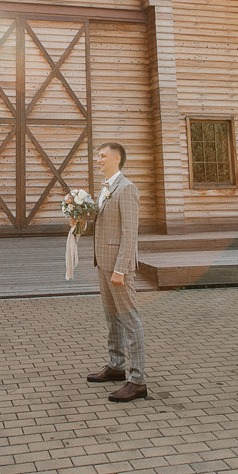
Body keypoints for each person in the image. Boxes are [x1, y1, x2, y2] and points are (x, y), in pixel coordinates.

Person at [81, 142, 148, 402]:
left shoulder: (127, 188)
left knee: (129, 320)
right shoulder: (106, 188)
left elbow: (130, 233)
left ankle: (138, 380)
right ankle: (116, 365)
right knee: (111, 318)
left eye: (102, 156)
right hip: (103, 263)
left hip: (118, 268)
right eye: (98, 156)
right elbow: (101, 227)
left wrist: (120, 268)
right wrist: (80, 221)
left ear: (116, 158)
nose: (98, 160)